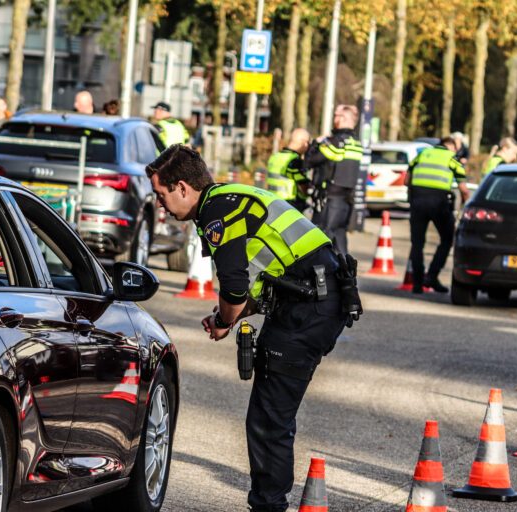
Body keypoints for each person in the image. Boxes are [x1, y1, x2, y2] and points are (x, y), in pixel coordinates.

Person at [146, 144, 360, 512]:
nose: (159, 205)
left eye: (161, 195)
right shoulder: (229, 198)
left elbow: (233, 287)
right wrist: (228, 317)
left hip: (309, 309)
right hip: (312, 300)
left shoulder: (217, 210)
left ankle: (268, 506)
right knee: (270, 414)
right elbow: (262, 285)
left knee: (269, 419)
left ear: (182, 187)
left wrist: (225, 320)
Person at [404, 136, 470, 294]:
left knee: (417, 244)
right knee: (447, 239)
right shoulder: (452, 159)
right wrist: (465, 207)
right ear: (452, 148)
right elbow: (464, 190)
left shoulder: (422, 154)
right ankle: (432, 276)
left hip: (418, 203)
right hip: (439, 204)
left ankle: (417, 284)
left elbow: (406, 181)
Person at [305, 104, 364, 255]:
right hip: (346, 200)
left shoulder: (336, 143)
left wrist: (314, 145)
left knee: (319, 240)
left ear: (343, 119)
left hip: (330, 199)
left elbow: (311, 161)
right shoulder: (356, 143)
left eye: (336, 115)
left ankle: (317, 277)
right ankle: (347, 276)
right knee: (340, 239)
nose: (334, 119)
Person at [265, 128, 311, 212]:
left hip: (272, 202)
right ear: (304, 142)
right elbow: (304, 188)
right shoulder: (295, 161)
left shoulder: (275, 157)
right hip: (289, 206)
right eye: (308, 143)